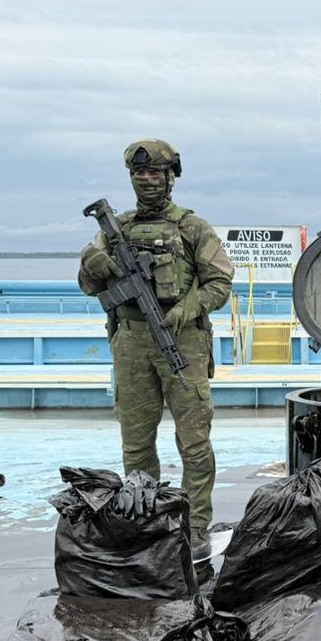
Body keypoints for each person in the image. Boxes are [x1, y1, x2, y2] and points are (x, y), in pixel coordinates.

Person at [78, 139, 234, 580]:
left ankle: (195, 527)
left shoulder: (192, 227)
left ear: (170, 177)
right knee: (136, 442)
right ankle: (145, 523)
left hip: (181, 341)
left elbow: (220, 283)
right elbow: (88, 285)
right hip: (130, 342)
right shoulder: (117, 229)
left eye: (153, 173)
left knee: (194, 441)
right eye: (138, 174)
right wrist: (95, 265)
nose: (146, 181)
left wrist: (187, 309)